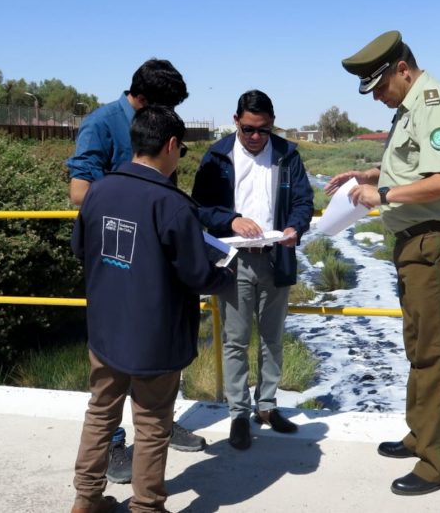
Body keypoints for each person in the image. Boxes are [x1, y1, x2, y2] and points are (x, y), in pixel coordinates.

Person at [325, 31, 440, 496]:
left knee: (438, 352)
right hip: (416, 245)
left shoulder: (433, 104)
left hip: (437, 244)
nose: (378, 98)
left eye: (380, 87)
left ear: (402, 70)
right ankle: (422, 435)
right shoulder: (410, 108)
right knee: (419, 346)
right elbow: (417, 167)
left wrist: (384, 194)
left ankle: (439, 461)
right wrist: (371, 175)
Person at [70, 105, 235, 513]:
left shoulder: (99, 191)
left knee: (100, 414)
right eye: (181, 150)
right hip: (155, 339)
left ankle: (86, 500)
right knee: (151, 423)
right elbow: (197, 274)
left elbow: (81, 248)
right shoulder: (171, 205)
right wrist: (228, 276)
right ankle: (147, 506)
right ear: (171, 145)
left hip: (105, 331)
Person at [66, 59, 205, 483]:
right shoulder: (102, 124)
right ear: (143, 100)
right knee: (109, 389)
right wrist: (133, 207)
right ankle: (117, 447)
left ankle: (156, 426)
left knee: (148, 380)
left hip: (156, 263)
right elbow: (79, 193)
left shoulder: (157, 130)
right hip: (122, 260)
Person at [192, 90, 314, 450]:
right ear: (235, 121)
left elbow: (304, 201)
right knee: (235, 340)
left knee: (273, 338)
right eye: (248, 130)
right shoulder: (217, 155)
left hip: (277, 256)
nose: (256, 137)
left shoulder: (287, 153)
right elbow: (199, 207)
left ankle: (267, 406)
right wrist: (233, 220)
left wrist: (295, 228)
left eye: (262, 129)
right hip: (233, 260)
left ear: (272, 124)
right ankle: (238, 414)